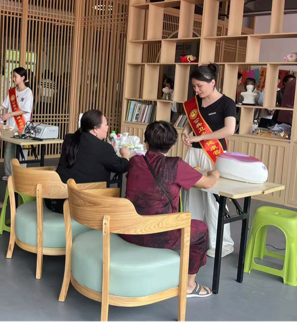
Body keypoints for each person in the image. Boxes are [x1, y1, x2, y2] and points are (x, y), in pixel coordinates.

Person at [122, 121, 220, 298]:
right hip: (159, 235)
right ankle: (189, 285)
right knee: (201, 230)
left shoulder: (134, 161)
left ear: (146, 141)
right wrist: (215, 173)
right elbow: (208, 183)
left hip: (128, 230)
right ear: (172, 145)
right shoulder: (176, 165)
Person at [181, 63, 236, 257]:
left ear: (212, 82)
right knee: (192, 197)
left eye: (200, 86)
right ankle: (194, 239)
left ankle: (221, 244)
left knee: (213, 200)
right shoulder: (196, 102)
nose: (196, 90)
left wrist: (201, 137)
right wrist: (185, 133)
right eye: (194, 86)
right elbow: (189, 122)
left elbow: (229, 130)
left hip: (214, 155)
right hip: (194, 154)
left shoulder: (227, 103)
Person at [46, 109, 130, 213]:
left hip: (58, 200)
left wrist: (108, 151)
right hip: (84, 204)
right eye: (106, 125)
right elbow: (121, 167)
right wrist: (125, 155)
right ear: (95, 130)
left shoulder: (69, 139)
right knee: (116, 191)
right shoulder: (103, 148)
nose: (108, 127)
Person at [0, 67, 33, 180]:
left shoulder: (28, 92)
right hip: (11, 125)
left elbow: (26, 110)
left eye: (15, 76)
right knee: (9, 149)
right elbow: (4, 105)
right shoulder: (12, 91)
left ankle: (20, 175)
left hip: (22, 125)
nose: (13, 79)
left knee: (21, 150)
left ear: (23, 78)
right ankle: (9, 174)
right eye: (13, 76)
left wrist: (10, 114)